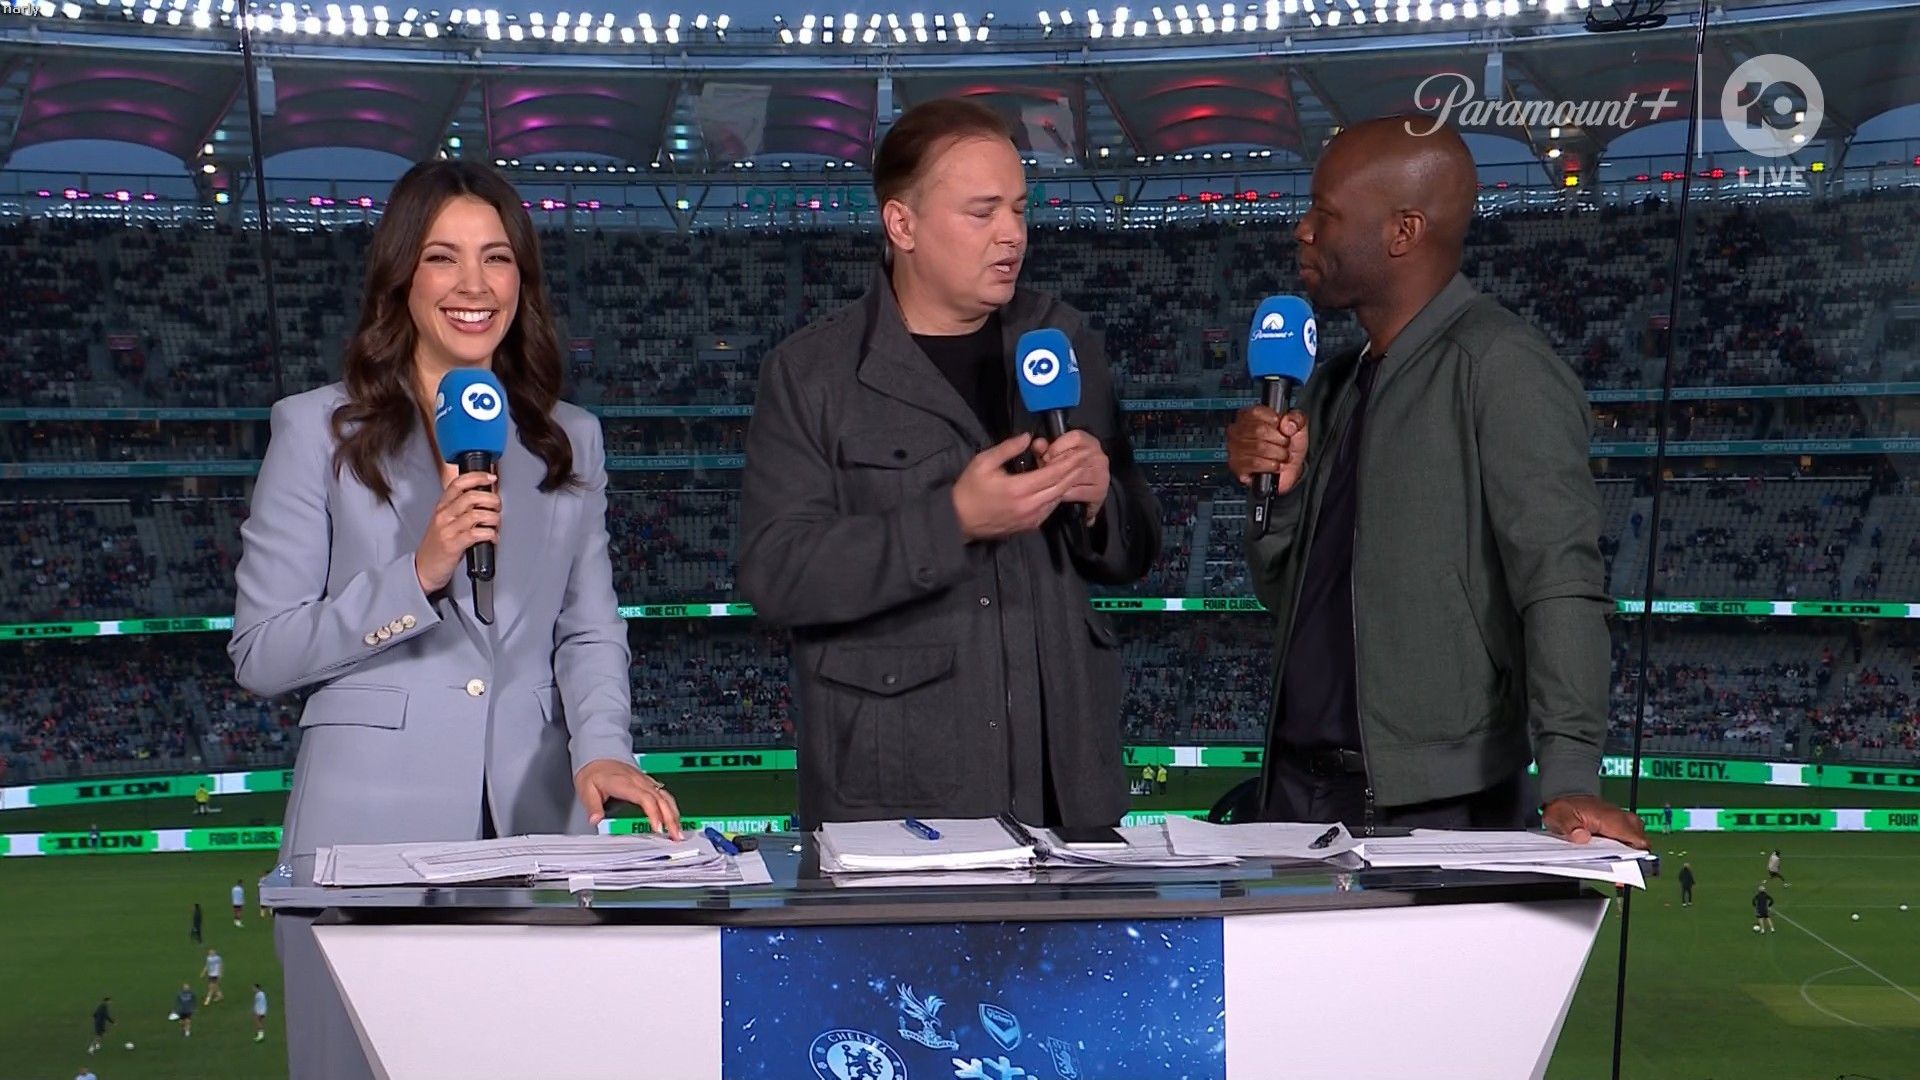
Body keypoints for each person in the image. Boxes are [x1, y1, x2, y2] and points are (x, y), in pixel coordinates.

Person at [227, 159, 682, 1080]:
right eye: (443, 257)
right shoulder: (316, 430)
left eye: (497, 258)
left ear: (523, 279)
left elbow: (589, 628)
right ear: (402, 276)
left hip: (538, 828)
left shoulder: (570, 437)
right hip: (366, 837)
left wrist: (602, 747)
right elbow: (261, 653)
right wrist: (418, 574)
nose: (474, 285)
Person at [738, 100, 1160, 828]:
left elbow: (1138, 544)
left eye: (1020, 209)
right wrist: (953, 520)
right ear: (902, 225)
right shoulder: (811, 375)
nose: (1013, 234)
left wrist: (1100, 502)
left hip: (1070, 793)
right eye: (982, 212)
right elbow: (776, 575)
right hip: (901, 799)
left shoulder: (1063, 340)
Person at [1226, 117, 1646, 845]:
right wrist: (1280, 501)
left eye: (1325, 212)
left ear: (1403, 231)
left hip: (1437, 804)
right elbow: (1285, 598)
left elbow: (1559, 581)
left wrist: (1570, 775)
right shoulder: (1331, 384)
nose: (1302, 230)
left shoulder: (1502, 367)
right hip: (1295, 791)